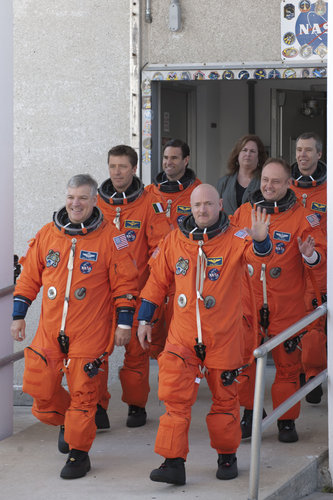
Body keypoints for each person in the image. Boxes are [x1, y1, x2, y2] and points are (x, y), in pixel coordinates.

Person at [137, 183, 272, 485]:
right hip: (183, 336)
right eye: (197, 205)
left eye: (208, 204)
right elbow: (156, 283)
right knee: (174, 399)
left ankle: (226, 455)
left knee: (225, 401)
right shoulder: (174, 241)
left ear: (220, 205)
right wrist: (144, 319)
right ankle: (173, 462)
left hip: (223, 335)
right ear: (190, 208)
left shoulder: (236, 238)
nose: (202, 210)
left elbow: (258, 258)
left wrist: (261, 240)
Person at [10, 174, 138, 479]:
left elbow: (125, 285)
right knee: (38, 390)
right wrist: (18, 315)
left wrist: (123, 324)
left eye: (82, 197)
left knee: (84, 395)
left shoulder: (112, 238)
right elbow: (29, 277)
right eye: (70, 197)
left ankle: (79, 454)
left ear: (95, 200)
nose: (75, 203)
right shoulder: (47, 234)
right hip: (50, 330)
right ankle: (68, 421)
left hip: (89, 332)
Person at [231, 158, 326, 442]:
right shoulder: (244, 212)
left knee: (287, 368)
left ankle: (286, 419)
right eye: (265, 181)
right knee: (245, 365)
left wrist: (310, 255)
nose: (269, 186)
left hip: (286, 306)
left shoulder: (304, 217)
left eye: (276, 181)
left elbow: (320, 261)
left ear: (288, 184)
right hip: (248, 305)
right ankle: (250, 412)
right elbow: (230, 251)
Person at [97, 145, 171, 427]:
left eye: (123, 167)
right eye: (113, 166)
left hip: (138, 291)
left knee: (137, 354)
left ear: (134, 169)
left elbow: (160, 249)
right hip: (101, 295)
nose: (117, 172)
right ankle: (97, 406)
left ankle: (136, 405)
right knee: (96, 353)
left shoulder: (150, 204)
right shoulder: (96, 203)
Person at [145, 139, 202, 329]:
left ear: (186, 160)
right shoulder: (148, 193)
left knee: (181, 331)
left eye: (174, 158)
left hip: (184, 273)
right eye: (166, 157)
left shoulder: (198, 192)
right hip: (154, 273)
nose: (168, 162)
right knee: (151, 337)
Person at [291, 132, 327, 404]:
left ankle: (313, 374)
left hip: (321, 272)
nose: (302, 155)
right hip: (290, 274)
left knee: (315, 331)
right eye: (299, 150)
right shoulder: (285, 189)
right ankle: (299, 374)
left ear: (319, 155)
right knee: (290, 328)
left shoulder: (329, 190)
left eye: (308, 150)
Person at [217, 134, 267, 216]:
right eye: (244, 150)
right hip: (228, 228)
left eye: (252, 151)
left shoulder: (264, 182)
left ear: (259, 157)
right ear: (237, 155)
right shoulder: (224, 182)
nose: (248, 154)